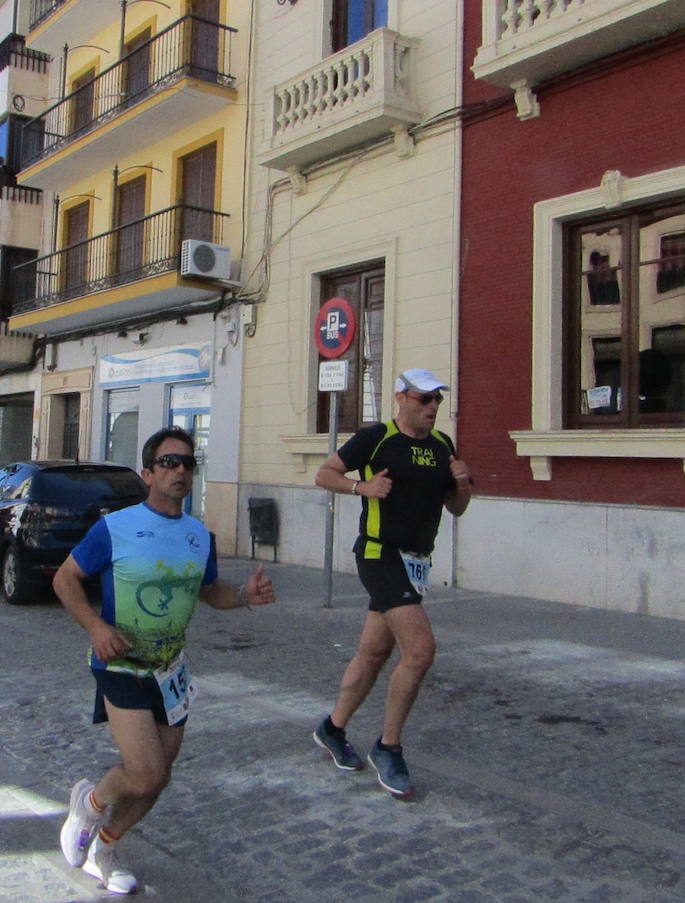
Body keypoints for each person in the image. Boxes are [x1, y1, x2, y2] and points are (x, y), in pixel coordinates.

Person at [53, 427, 275, 895]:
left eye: (188, 464)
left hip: (170, 672)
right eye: (169, 463)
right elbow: (65, 579)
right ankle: (88, 807)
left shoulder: (198, 536)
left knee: (157, 779)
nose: (180, 471)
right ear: (147, 473)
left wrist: (244, 596)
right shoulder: (115, 527)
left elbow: (211, 592)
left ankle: (105, 847)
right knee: (145, 770)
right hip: (119, 665)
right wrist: (96, 628)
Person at [310, 369, 473, 801]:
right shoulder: (376, 437)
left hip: (415, 561)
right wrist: (361, 486)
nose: (432, 407)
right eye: (424, 399)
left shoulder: (442, 446)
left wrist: (462, 483)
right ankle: (389, 746)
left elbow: (456, 508)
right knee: (419, 650)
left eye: (437, 399)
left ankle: (333, 727)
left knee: (375, 651)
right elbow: (324, 474)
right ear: (401, 398)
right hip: (379, 554)